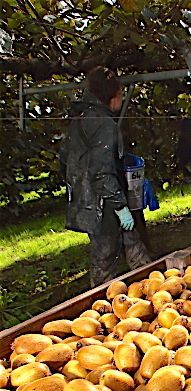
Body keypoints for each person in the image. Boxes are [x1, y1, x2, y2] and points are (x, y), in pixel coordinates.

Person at [60, 66, 151, 287]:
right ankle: (101, 306)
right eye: (120, 93)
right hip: (104, 206)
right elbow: (101, 172)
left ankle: (155, 289)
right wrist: (120, 206)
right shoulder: (103, 124)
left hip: (90, 201)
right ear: (113, 96)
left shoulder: (80, 118)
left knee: (135, 245)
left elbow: (65, 159)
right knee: (104, 260)